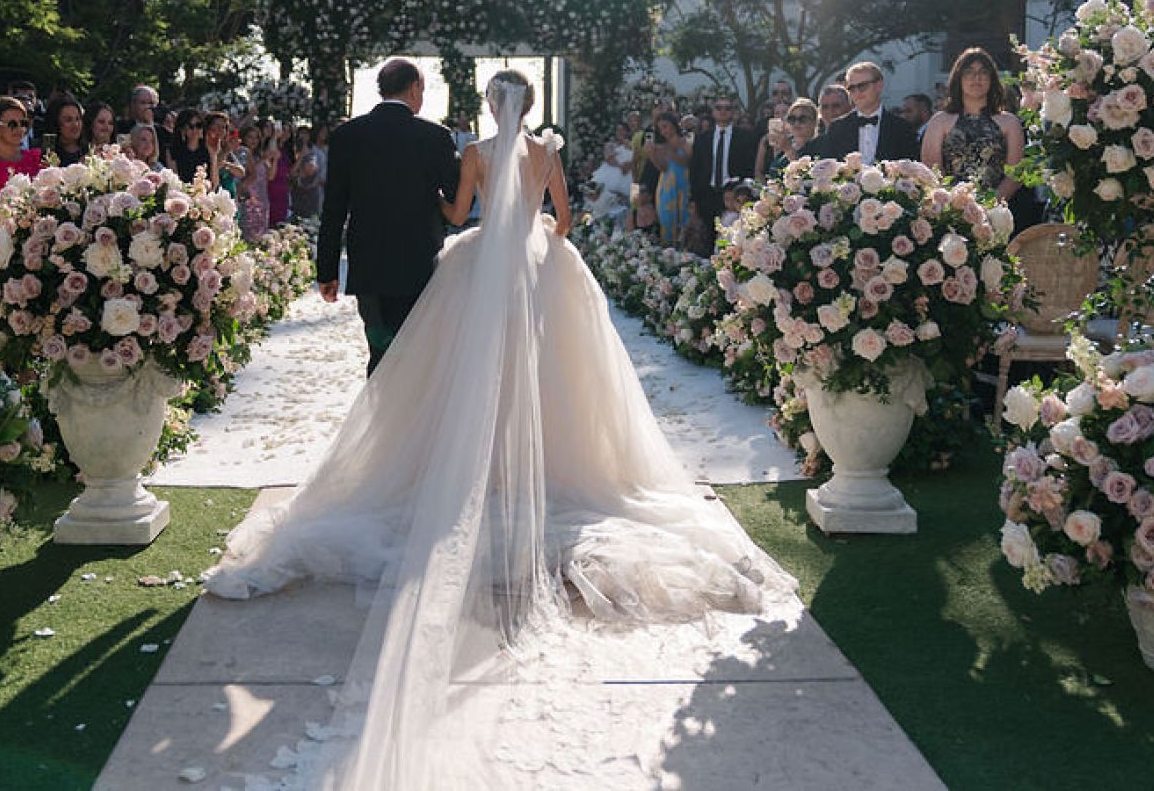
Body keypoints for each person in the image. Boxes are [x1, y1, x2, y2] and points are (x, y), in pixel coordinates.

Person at [205, 71, 794, 788]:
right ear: (534, 108)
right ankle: (540, 465)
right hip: (539, 266)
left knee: (470, 370)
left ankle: (475, 463)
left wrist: (446, 204)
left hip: (482, 261)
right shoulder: (547, 151)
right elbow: (565, 220)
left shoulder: (476, 153)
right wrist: (537, 231)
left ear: (490, 107)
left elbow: (458, 215)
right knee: (551, 373)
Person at [316, 59, 460, 374]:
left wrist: (327, 270)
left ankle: (380, 403)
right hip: (419, 260)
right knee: (418, 356)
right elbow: (457, 196)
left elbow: (334, 208)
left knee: (381, 352)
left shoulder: (347, 135)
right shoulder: (435, 136)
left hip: (369, 263)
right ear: (414, 88)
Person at [921, 47, 1028, 219]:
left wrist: (987, 207)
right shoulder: (939, 121)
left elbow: (1015, 174)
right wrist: (955, 207)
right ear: (958, 78)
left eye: (983, 72)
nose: (976, 78)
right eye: (969, 72)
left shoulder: (1010, 122)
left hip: (996, 214)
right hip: (949, 214)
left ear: (992, 79)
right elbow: (932, 169)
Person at [805, 62, 918, 165]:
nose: (857, 92)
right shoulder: (837, 128)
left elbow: (911, 170)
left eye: (862, 86)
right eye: (852, 88)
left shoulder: (902, 127)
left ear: (879, 85)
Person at [686, 95, 758, 255]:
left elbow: (749, 168)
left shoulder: (745, 137)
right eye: (719, 108)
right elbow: (694, 170)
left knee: (732, 243)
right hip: (707, 195)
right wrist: (694, 199)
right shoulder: (703, 138)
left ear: (733, 112)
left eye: (727, 108)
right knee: (706, 242)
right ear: (713, 112)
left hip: (734, 197)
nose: (723, 111)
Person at [640, 111, 690, 247]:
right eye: (660, 128)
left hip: (684, 184)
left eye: (665, 126)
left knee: (685, 219)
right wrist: (652, 155)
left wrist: (670, 151)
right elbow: (663, 168)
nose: (664, 131)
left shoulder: (685, 141)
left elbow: (687, 162)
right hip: (667, 186)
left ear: (674, 125)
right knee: (667, 219)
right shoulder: (661, 145)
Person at [757, 97, 821, 177]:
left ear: (814, 122)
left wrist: (788, 150)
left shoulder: (819, 146)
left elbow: (807, 178)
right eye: (792, 119)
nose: (796, 123)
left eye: (802, 119)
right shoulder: (786, 143)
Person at [290, 123, 327, 219]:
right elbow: (291, 173)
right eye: (301, 133)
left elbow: (318, 173)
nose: (303, 136)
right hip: (296, 193)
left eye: (306, 133)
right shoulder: (292, 151)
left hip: (312, 193)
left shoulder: (317, 153)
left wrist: (313, 181)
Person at [43, 92, 87, 166]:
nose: (75, 125)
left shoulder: (88, 151)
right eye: (68, 120)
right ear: (55, 122)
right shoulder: (44, 150)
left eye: (78, 119)